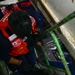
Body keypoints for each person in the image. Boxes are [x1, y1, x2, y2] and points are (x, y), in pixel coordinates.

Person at [0, 10, 47, 75]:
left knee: (32, 62)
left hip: (29, 46)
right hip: (16, 55)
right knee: (24, 70)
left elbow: (37, 25)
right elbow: (4, 56)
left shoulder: (29, 17)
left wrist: (36, 34)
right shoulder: (2, 39)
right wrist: (20, 63)